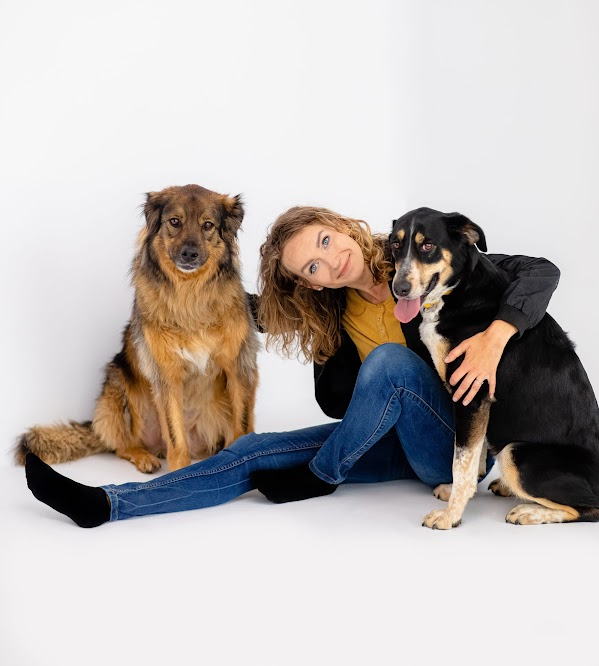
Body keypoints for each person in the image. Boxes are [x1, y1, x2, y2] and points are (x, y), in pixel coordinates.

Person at [24, 206, 560, 527]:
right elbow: (237, 306)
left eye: (326, 241)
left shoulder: (414, 256)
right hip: (388, 440)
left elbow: (539, 271)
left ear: (342, 227)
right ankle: (109, 505)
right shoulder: (327, 311)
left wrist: (496, 335)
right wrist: (180, 281)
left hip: (454, 446)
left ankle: (321, 476)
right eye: (313, 266)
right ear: (312, 284)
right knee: (254, 451)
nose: (330, 260)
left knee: (391, 362)